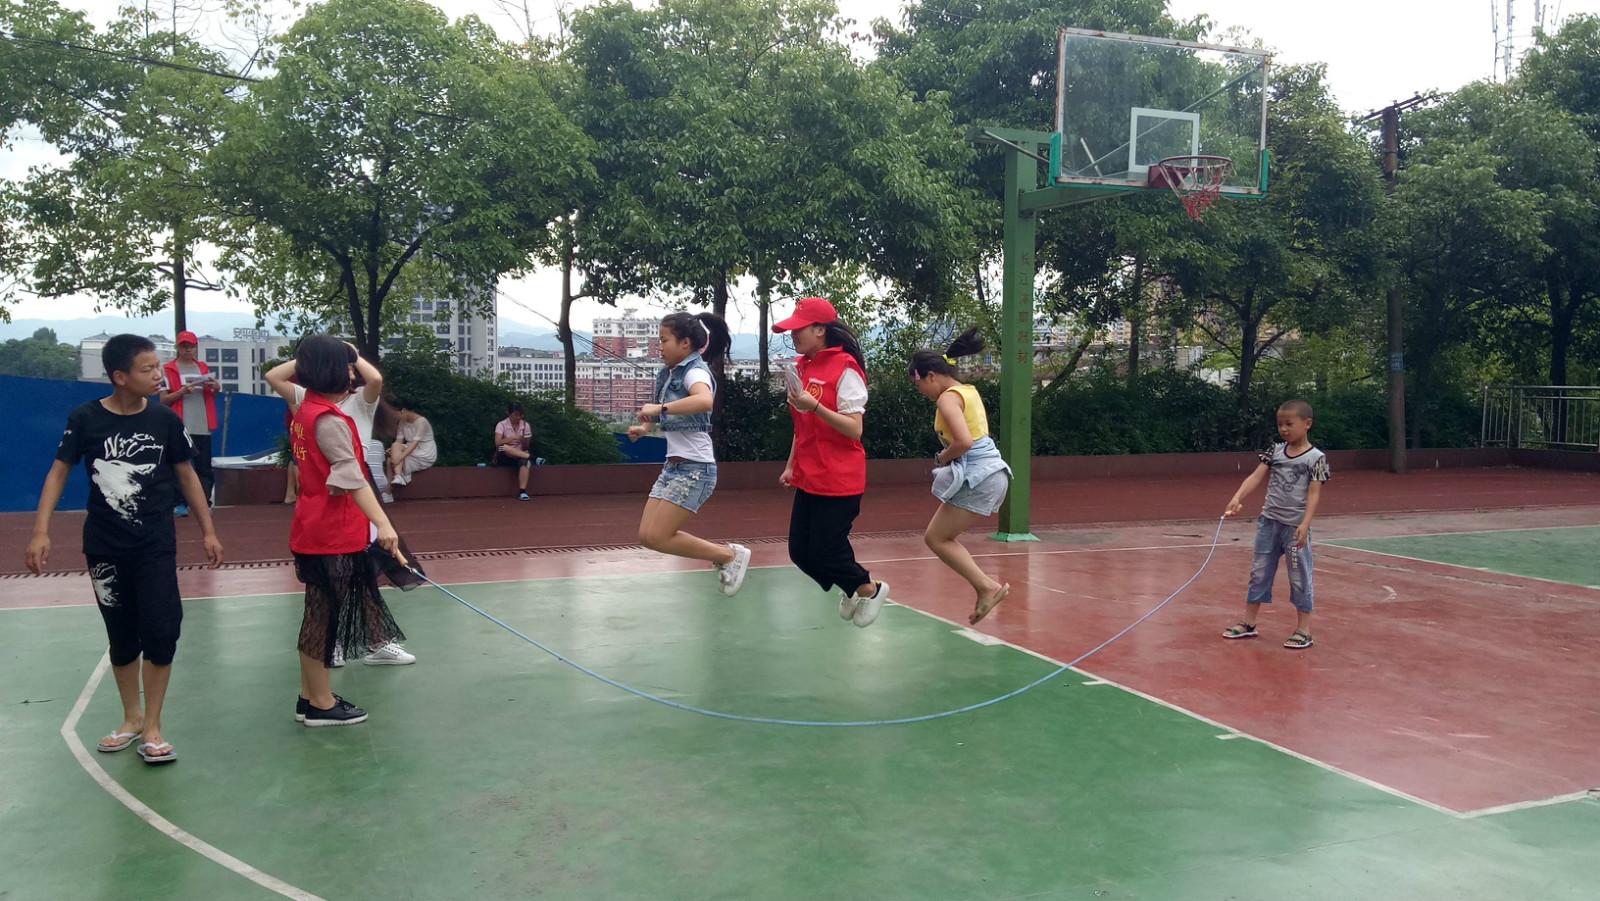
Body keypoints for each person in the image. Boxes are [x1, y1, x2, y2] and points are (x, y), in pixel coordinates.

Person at [26, 334, 224, 766]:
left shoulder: (164, 420)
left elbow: (187, 476)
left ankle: (153, 726)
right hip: (104, 548)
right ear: (120, 376)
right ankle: (131, 718)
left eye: (157, 367)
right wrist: (41, 531)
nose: (158, 376)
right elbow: (58, 473)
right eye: (147, 369)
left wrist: (208, 530)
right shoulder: (85, 419)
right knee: (121, 635)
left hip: (155, 545)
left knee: (162, 631)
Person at [266, 345, 418, 667]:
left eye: (352, 367)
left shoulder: (359, 402)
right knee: (336, 578)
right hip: (334, 496)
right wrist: (312, 355)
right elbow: (273, 376)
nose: (352, 371)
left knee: (363, 571)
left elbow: (374, 379)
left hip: (358, 489)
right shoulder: (310, 404)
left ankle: (373, 641)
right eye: (346, 365)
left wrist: (351, 353)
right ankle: (330, 643)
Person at [287, 336, 408, 727]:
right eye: (346, 365)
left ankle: (310, 696)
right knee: (322, 619)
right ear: (329, 369)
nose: (351, 373)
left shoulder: (306, 411)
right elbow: (352, 478)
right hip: (331, 533)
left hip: (314, 527)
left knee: (318, 615)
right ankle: (321, 703)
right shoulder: (329, 420)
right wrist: (383, 523)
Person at [772, 296, 891, 627]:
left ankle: (869, 588)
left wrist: (816, 407)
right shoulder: (801, 367)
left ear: (820, 330)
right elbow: (801, 425)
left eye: (799, 328)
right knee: (800, 552)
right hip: (809, 476)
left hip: (839, 478)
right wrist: (791, 465)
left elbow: (854, 429)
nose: (793, 334)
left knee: (827, 549)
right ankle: (855, 587)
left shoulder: (845, 368)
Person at [627, 312, 751, 595]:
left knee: (659, 535)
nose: (659, 346)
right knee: (648, 536)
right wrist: (644, 428)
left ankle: (728, 555)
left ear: (685, 343)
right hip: (672, 468)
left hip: (695, 469)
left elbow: (704, 400)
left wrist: (659, 409)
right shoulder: (669, 373)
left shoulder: (695, 371)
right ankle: (726, 555)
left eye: (664, 340)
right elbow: (666, 412)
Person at [909, 328, 1013, 625]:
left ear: (931, 376)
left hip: (981, 475)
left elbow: (964, 442)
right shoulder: (968, 391)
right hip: (992, 472)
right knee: (940, 537)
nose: (921, 391)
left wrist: (942, 458)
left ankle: (986, 587)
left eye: (918, 384)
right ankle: (984, 587)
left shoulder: (946, 399)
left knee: (937, 538)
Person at [1222, 399, 1331, 650]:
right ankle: (1249, 623)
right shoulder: (1275, 451)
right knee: (1259, 573)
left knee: (1299, 576)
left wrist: (1305, 524)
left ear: (1307, 424)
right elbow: (1256, 476)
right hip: (1268, 524)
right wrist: (1238, 497)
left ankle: (1304, 630)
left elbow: (1314, 493)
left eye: (1289, 424)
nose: (1283, 429)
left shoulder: (1316, 458)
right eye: (1280, 424)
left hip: (1295, 529)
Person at [158, 331, 217, 517]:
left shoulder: (203, 367)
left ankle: (204, 502)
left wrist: (215, 386)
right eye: (184, 347)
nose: (188, 350)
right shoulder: (167, 369)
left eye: (191, 346)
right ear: (178, 348)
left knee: (203, 466)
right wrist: (182, 392)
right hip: (180, 424)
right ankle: (179, 503)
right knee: (179, 465)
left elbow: (214, 391)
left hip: (202, 424)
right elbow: (163, 400)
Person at [385, 399, 436, 489]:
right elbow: (398, 441)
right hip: (411, 450)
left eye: (396, 414)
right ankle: (394, 483)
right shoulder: (402, 421)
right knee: (390, 458)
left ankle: (398, 477)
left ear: (404, 410)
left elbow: (414, 444)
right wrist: (393, 450)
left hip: (424, 452)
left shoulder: (422, 422)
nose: (395, 417)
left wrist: (399, 458)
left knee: (393, 458)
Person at [494, 402, 535, 501]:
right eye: (515, 415)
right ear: (509, 413)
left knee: (525, 462)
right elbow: (497, 443)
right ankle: (533, 458)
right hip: (504, 453)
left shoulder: (525, 425)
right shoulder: (501, 424)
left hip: (520, 454)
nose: (517, 418)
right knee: (505, 447)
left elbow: (526, 446)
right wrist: (511, 438)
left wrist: (523, 439)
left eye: (520, 415)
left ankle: (522, 491)